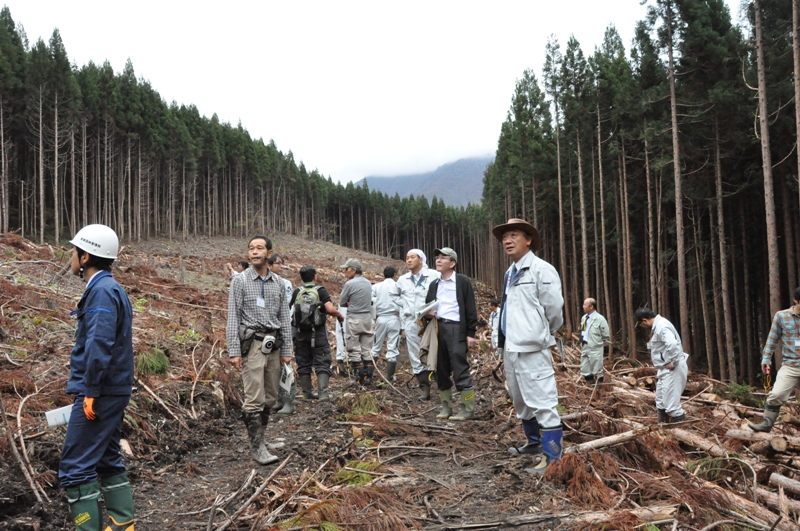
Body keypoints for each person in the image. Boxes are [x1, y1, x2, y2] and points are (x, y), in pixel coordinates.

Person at [59, 224, 136, 531]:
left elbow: (99, 344)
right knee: (106, 459)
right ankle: (122, 525)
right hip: (111, 390)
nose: (70, 255)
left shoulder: (102, 292)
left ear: (86, 255)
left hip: (100, 393)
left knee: (75, 468)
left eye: (74, 249)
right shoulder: (109, 288)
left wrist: (90, 391)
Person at [493, 218, 564, 474]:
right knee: (521, 400)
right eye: (504, 238)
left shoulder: (541, 269)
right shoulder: (510, 273)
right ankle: (534, 443)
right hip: (511, 348)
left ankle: (553, 458)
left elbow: (554, 309)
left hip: (532, 348)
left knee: (543, 401)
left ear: (528, 239)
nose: (507, 241)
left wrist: (542, 331)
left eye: (513, 235)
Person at [226, 235, 293, 465]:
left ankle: (263, 439)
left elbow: (284, 317)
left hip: (274, 345)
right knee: (254, 398)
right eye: (251, 248)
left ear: (269, 253)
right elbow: (232, 316)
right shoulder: (240, 281)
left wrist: (287, 349)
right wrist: (234, 350)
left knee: (271, 396)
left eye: (260, 248)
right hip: (252, 344)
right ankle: (257, 448)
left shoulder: (278, 283)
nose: (254, 252)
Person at [425, 247, 478, 421]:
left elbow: (470, 307)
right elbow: (428, 305)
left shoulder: (462, 281)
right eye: (437, 258)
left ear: (453, 263)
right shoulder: (434, 284)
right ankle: (446, 407)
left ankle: (467, 408)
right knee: (440, 368)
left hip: (456, 328)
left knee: (459, 366)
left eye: (443, 258)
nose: (438, 261)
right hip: (438, 328)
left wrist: (471, 333)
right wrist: (427, 313)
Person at [290, 265, 345, 401]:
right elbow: (330, 309)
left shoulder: (297, 291)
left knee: (303, 361)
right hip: (318, 332)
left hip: (300, 332)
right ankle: (323, 393)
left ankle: (307, 393)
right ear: (315, 277)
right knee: (322, 359)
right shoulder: (320, 290)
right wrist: (339, 315)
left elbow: (290, 309)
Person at [749, 286, 800, 432]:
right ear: (795, 300)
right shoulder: (781, 316)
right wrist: (766, 359)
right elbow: (772, 339)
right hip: (790, 364)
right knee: (776, 394)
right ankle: (766, 425)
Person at [396, 249, 440, 399]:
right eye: (407, 257)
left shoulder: (434, 275)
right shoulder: (403, 280)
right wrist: (404, 318)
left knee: (436, 351)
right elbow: (397, 299)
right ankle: (425, 388)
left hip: (432, 320)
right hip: (412, 321)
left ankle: (442, 385)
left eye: (412, 257)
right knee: (415, 355)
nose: (408, 260)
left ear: (421, 260)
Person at [635, 307, 689, 423]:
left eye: (641, 324)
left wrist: (674, 362)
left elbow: (673, 344)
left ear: (645, 321)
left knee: (672, 405)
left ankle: (682, 434)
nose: (642, 327)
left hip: (673, 369)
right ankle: (662, 430)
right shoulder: (656, 327)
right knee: (660, 401)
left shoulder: (662, 326)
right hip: (664, 369)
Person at [267, 254, 298, 415]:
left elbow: (286, 305)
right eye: (278, 263)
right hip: (267, 329)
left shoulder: (285, 283)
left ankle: (289, 400)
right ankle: (277, 399)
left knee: (285, 365)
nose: (281, 266)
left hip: (282, 328)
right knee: (273, 368)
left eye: (282, 263)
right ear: (270, 265)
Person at [338, 258, 375, 385]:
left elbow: (342, 301)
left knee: (353, 349)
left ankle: (358, 378)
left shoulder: (349, 284)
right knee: (367, 349)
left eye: (347, 269)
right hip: (367, 319)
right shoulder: (368, 283)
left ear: (354, 270)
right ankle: (369, 377)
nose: (345, 272)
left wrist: (350, 302)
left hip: (354, 319)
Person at [371, 266, 403, 382]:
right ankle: (390, 377)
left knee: (375, 347)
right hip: (395, 318)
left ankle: (369, 374)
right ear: (395, 274)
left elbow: (371, 303)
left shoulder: (376, 287)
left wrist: (374, 317)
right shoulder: (398, 286)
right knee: (392, 348)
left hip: (380, 318)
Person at [580, 298, 610, 384]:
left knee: (597, 370)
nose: (583, 307)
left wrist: (597, 342)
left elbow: (606, 334)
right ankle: (591, 388)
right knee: (585, 369)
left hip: (595, 347)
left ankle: (599, 390)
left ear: (591, 306)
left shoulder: (600, 319)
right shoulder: (584, 318)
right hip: (585, 346)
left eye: (585, 305)